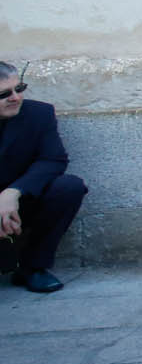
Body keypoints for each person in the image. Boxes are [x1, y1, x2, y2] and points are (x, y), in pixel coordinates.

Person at [0, 64, 88, 294]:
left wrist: (13, 193)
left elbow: (53, 159)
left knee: (68, 187)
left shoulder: (38, 114)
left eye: (19, 88)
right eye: (4, 94)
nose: (15, 98)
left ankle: (32, 267)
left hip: (20, 201)